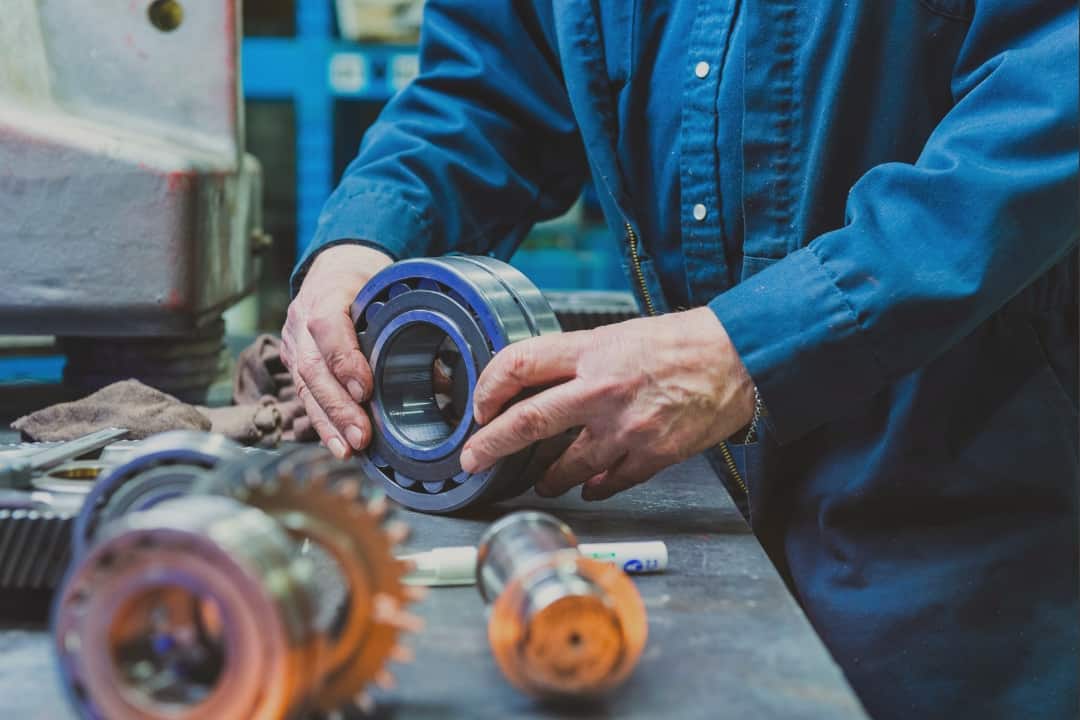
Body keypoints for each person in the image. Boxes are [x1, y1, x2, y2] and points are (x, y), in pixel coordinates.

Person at [282, 2, 1078, 718]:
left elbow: (1046, 111)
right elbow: (490, 88)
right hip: (718, 515)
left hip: (979, 537)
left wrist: (752, 343)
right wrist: (365, 240)